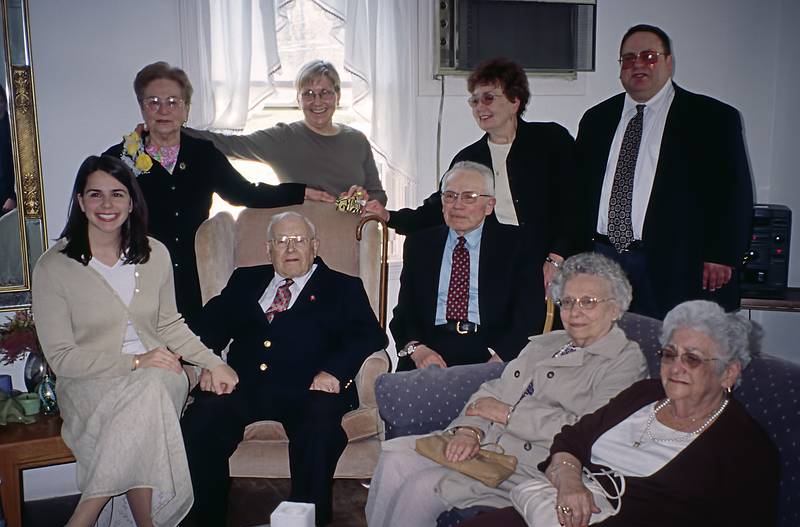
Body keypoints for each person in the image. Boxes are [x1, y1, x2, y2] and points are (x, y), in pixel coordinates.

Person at [438, 301, 778, 527]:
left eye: (692, 359)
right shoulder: (644, 395)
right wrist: (569, 479)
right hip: (563, 512)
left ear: (729, 373)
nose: (676, 367)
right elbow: (571, 438)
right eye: (669, 354)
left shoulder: (745, 447)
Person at [365, 252, 649, 527]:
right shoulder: (547, 343)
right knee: (392, 459)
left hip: (533, 465)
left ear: (615, 308)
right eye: (568, 301)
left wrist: (510, 414)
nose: (575, 311)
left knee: (420, 491)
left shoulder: (624, 361)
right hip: (486, 443)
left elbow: (589, 429)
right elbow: (492, 389)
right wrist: (469, 431)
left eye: (589, 302)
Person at [31, 155, 239, 527]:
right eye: (95, 194)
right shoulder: (54, 266)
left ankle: (77, 526)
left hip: (161, 372)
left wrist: (213, 362)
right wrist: (136, 360)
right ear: (80, 200)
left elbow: (169, 324)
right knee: (148, 407)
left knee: (153, 385)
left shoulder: (154, 254)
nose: (106, 203)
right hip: (90, 381)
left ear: (131, 202)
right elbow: (61, 358)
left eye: (117, 193)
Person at [181, 211, 387, 527]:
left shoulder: (342, 287)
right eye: (281, 241)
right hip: (244, 386)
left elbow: (370, 336)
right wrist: (208, 362)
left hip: (309, 389)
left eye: (299, 240)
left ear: (314, 246)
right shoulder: (244, 280)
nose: (290, 248)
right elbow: (207, 327)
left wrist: (334, 372)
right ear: (269, 249)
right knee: (200, 423)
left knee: (319, 429)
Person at [105, 61, 333, 323]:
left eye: (173, 101)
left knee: (194, 344)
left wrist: (302, 192)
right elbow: (100, 214)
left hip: (194, 277)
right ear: (142, 108)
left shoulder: (203, 154)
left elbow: (245, 193)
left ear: (186, 109)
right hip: (141, 274)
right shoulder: (120, 159)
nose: (163, 110)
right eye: (153, 102)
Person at [576, 24, 753, 319]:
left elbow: (733, 192)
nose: (638, 65)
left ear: (669, 62)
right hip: (603, 258)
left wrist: (722, 255)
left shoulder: (712, 118)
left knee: (672, 350)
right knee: (609, 351)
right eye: (629, 58)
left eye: (649, 56)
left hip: (675, 261)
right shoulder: (597, 119)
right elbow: (579, 192)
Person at [365, 57, 579, 287]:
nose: (480, 108)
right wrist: (389, 216)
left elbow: (576, 204)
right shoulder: (469, 159)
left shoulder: (551, 140)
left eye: (488, 98)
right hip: (499, 268)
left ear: (515, 101)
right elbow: (439, 210)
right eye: (474, 101)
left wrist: (556, 258)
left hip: (556, 263)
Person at [391, 161, 542, 370]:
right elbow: (405, 312)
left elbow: (530, 314)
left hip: (491, 349)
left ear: (489, 205)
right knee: (396, 393)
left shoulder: (517, 245)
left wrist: (500, 360)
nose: (457, 205)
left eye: (469, 197)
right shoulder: (420, 244)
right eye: (450, 196)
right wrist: (417, 350)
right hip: (429, 348)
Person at [187, 59, 386, 205]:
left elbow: (378, 196)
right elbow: (228, 144)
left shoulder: (357, 140)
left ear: (337, 96)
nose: (317, 101)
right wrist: (170, 130)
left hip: (350, 237)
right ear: (298, 100)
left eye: (325, 93)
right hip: (300, 242)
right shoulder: (283, 138)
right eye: (308, 94)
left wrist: (359, 201)